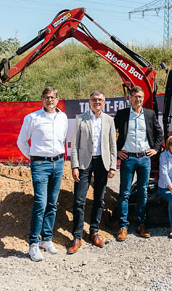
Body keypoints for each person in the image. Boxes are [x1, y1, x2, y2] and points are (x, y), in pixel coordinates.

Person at [17, 86, 68, 262]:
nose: (50, 100)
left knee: (52, 203)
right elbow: (21, 141)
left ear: (57, 99)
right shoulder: (32, 118)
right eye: (46, 97)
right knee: (40, 203)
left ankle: (46, 240)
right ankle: (33, 244)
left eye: (53, 97)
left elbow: (63, 139)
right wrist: (33, 158)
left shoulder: (62, 118)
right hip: (40, 164)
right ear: (42, 99)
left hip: (58, 163)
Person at [67, 91, 117, 254]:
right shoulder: (81, 118)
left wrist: (112, 165)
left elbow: (112, 144)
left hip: (102, 163)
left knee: (99, 199)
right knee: (79, 201)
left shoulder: (109, 120)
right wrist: (74, 165)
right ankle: (77, 236)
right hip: (83, 164)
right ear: (89, 102)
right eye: (94, 100)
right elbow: (74, 144)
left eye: (100, 100)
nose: (97, 102)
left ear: (104, 103)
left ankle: (94, 232)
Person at [114, 86, 164, 241]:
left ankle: (141, 224)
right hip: (127, 158)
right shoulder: (122, 114)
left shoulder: (149, 114)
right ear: (130, 98)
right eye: (135, 97)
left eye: (141, 97)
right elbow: (110, 133)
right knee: (125, 193)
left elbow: (159, 133)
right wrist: (116, 150)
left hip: (144, 159)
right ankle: (123, 225)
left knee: (143, 192)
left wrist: (155, 149)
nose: (138, 99)